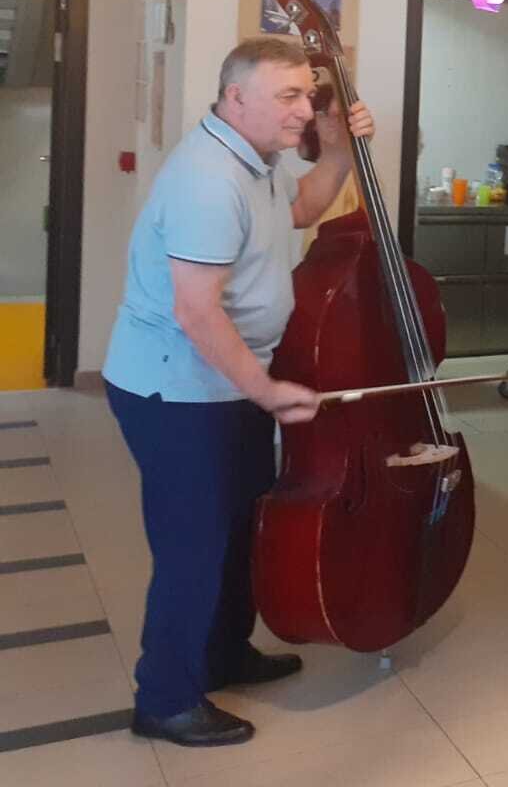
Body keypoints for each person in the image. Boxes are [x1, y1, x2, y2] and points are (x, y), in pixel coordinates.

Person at [102, 38, 374, 747]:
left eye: (308, 95)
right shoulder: (208, 179)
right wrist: (268, 391)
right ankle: (165, 700)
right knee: (193, 545)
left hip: (228, 383)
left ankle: (224, 653)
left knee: (239, 527)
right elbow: (197, 312)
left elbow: (302, 208)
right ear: (235, 98)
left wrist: (339, 150)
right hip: (178, 388)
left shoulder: (258, 160)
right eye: (288, 96)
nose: (304, 109)